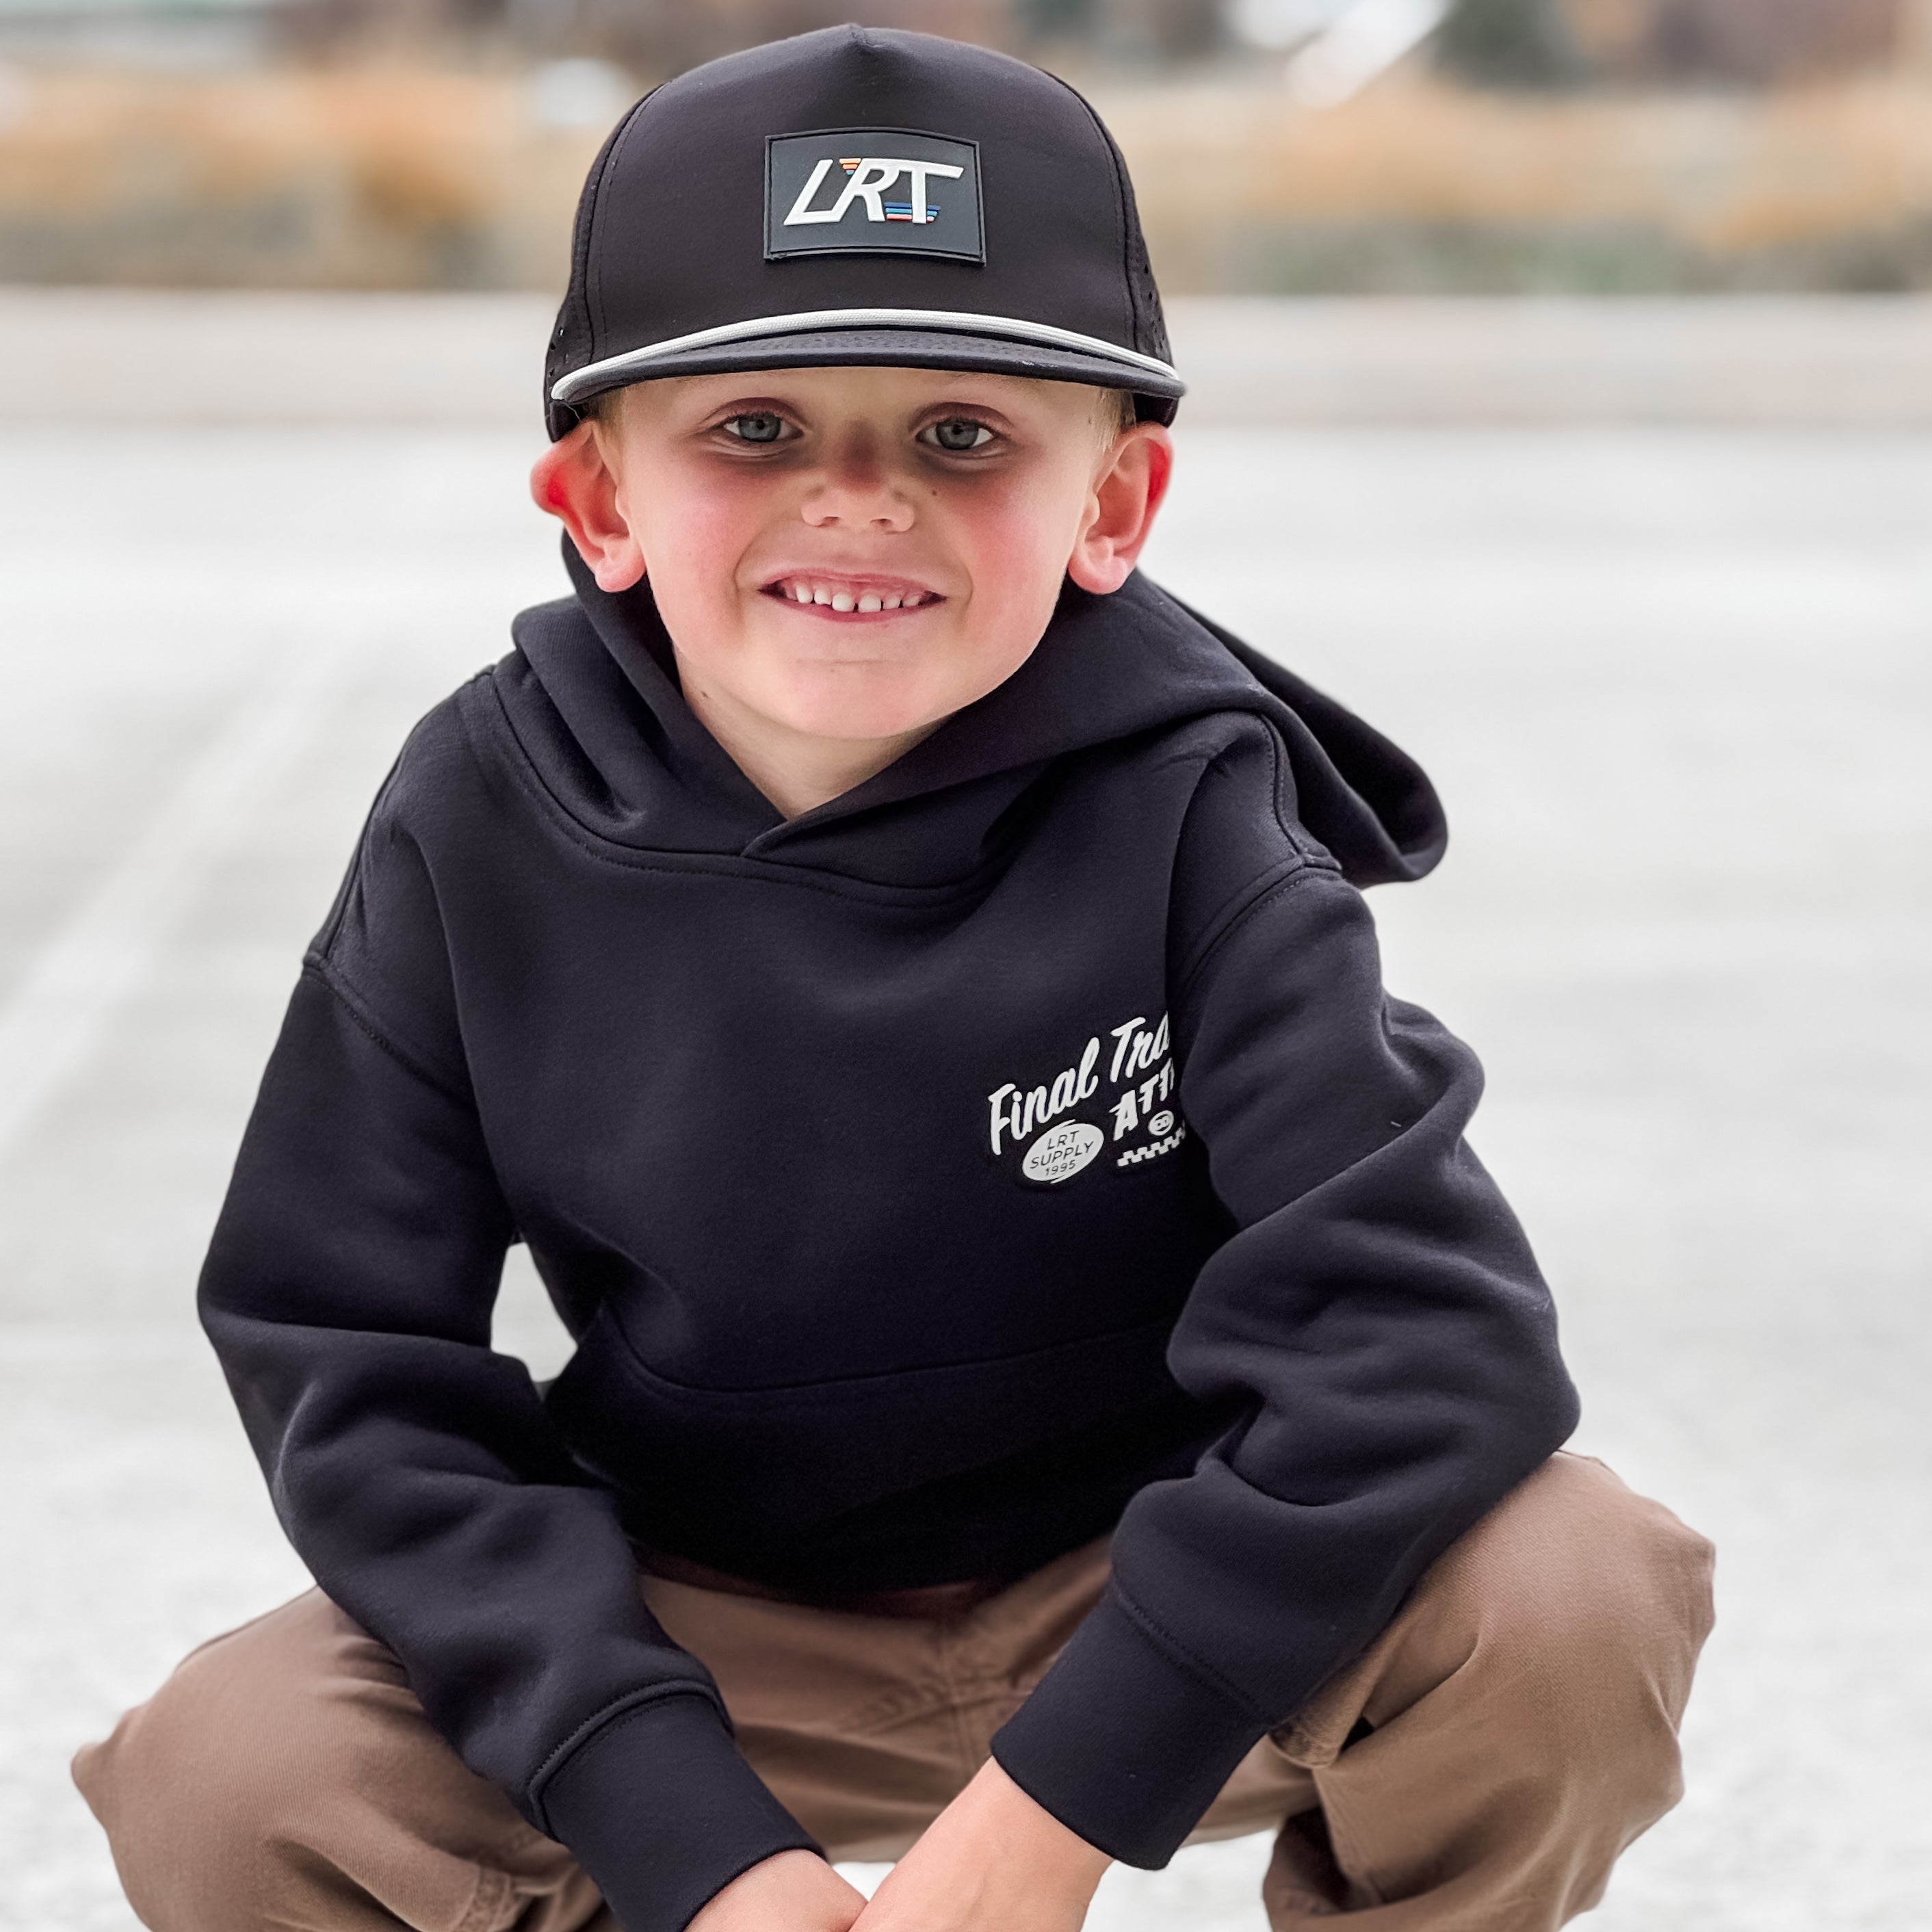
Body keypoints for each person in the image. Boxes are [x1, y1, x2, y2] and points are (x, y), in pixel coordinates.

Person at [72, 26, 1714, 1932]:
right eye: (752, 428)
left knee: (1575, 1586)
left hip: (1161, 1589)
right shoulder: (477, 815)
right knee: (238, 1768)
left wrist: (1039, 1837)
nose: (858, 497)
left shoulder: (1196, 807)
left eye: (962, 433)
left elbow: (1430, 1351)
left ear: (1113, 506)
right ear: (598, 500)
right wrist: (702, 1848)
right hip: (711, 1620)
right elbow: (352, 1358)